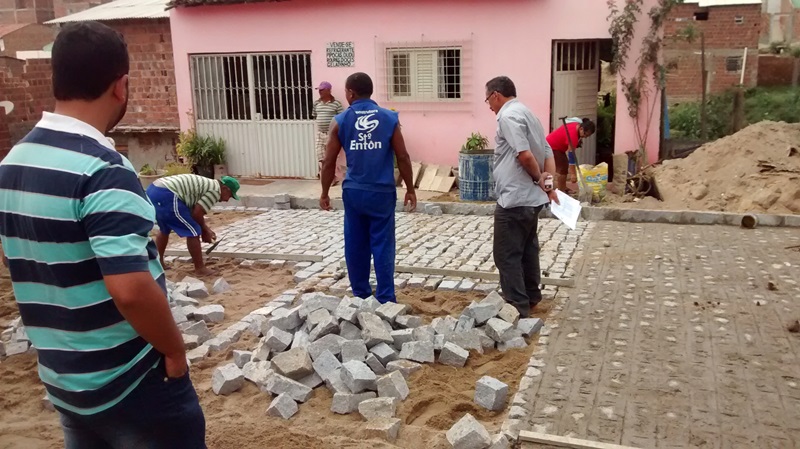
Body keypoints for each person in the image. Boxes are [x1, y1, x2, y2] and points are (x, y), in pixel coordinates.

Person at [0, 22, 206, 447]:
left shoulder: (13, 164)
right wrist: (174, 350)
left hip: (65, 380)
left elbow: (24, 259)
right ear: (121, 86)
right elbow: (131, 288)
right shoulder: (103, 171)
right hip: (130, 381)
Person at [320, 72, 416, 304]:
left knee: (355, 242)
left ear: (351, 93)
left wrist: (324, 192)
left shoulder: (341, 120)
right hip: (382, 192)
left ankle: (361, 294)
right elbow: (402, 156)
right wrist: (410, 188)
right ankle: (385, 297)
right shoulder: (389, 118)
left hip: (354, 192)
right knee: (382, 243)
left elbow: (329, 161)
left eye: (346, 91)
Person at [485, 76, 558, 318]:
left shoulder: (507, 116)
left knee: (506, 253)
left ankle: (517, 305)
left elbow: (525, 156)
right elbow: (547, 151)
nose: (489, 106)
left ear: (496, 95)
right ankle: (532, 295)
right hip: (533, 199)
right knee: (527, 248)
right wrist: (548, 185)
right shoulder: (530, 115)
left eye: (488, 100)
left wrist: (539, 179)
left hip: (514, 198)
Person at [146, 173, 240, 276]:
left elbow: (193, 211)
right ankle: (200, 269)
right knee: (194, 231)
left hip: (154, 190)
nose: (227, 200)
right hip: (167, 194)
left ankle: (158, 263)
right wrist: (205, 230)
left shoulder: (208, 184)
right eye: (230, 196)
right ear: (225, 188)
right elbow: (197, 213)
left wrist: (205, 229)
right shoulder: (215, 191)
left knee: (164, 229)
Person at [545, 118, 596, 192]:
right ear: (581, 128)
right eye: (585, 135)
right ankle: (561, 190)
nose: (584, 137)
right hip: (552, 146)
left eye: (587, 136)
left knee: (564, 166)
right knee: (563, 168)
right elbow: (571, 156)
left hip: (555, 145)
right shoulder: (573, 136)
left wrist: (579, 139)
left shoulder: (576, 124)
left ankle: (563, 187)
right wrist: (573, 174)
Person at [312, 81, 345, 181]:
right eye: (319, 90)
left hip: (332, 135)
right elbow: (314, 115)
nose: (320, 92)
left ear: (328, 90)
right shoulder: (316, 103)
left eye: (322, 90)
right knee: (321, 157)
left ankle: (333, 177)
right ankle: (327, 176)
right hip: (320, 134)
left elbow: (341, 118)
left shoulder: (336, 104)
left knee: (332, 157)